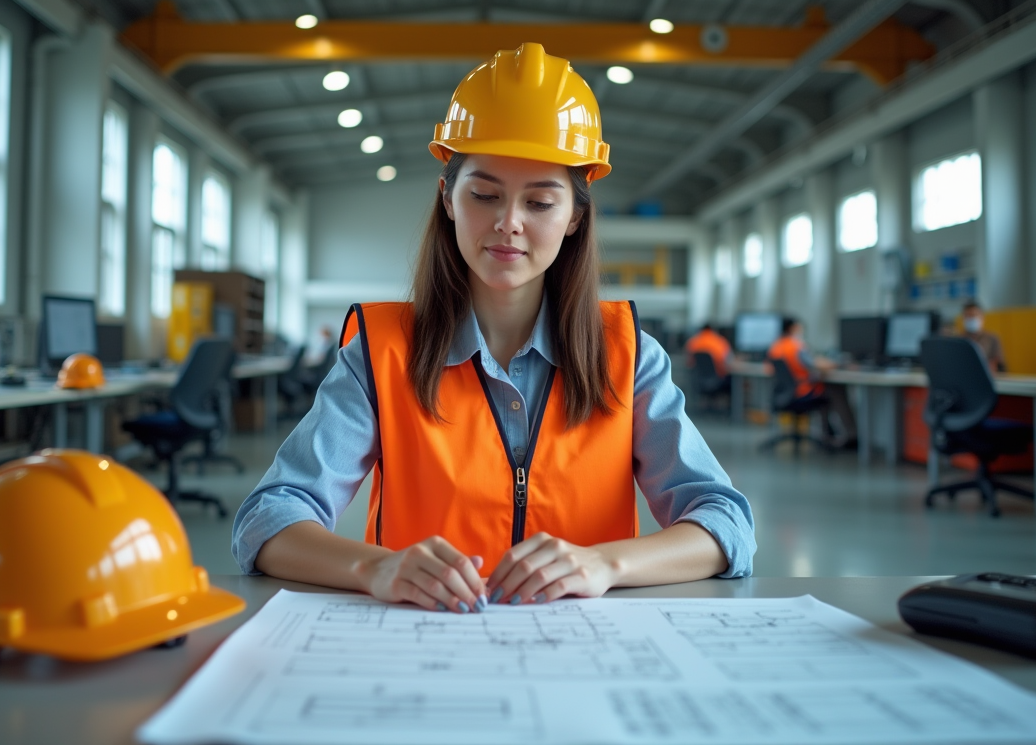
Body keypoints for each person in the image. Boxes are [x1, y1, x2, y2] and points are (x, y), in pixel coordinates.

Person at [232, 43, 755, 615]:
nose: (509, 223)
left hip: (588, 649)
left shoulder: (628, 356)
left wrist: (605, 564)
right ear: (448, 198)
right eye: (484, 196)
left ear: (575, 216)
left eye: (541, 202)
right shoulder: (380, 353)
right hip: (422, 642)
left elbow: (725, 522)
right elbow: (269, 518)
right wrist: (374, 568)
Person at [767, 317, 857, 448]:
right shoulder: (795, 346)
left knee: (827, 389)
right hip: (802, 392)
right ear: (792, 328)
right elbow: (814, 364)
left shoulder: (775, 346)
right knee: (835, 389)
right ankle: (851, 435)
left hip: (785, 393)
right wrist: (840, 364)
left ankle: (828, 434)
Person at [960, 299, 1006, 373]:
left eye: (973, 315)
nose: (971, 319)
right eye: (967, 316)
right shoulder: (959, 340)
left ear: (982, 317)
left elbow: (1000, 365)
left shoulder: (992, 338)